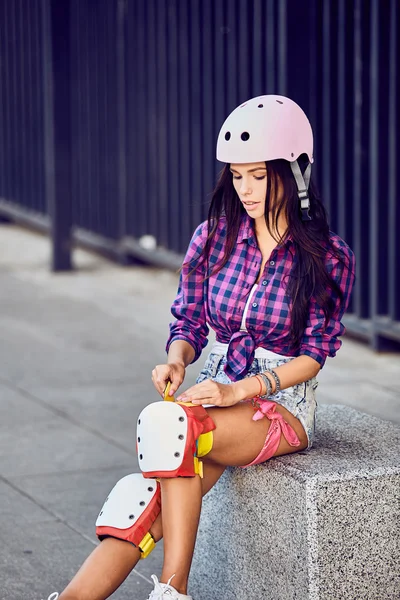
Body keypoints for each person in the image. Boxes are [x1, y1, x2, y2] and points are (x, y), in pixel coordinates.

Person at [44, 94, 355, 600]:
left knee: (167, 426)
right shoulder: (214, 237)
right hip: (215, 395)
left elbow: (314, 354)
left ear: (294, 171)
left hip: (281, 406)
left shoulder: (327, 256)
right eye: (236, 176)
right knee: (139, 501)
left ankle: (173, 589)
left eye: (259, 175)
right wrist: (175, 360)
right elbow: (188, 320)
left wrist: (241, 392)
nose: (246, 189)